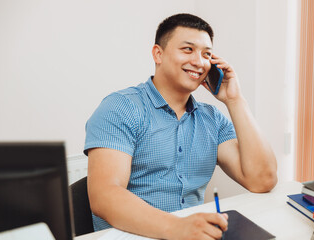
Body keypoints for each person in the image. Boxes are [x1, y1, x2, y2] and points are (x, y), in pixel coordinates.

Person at [84, 13, 277, 240]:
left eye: (207, 54)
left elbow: (262, 180)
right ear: (158, 54)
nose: (199, 62)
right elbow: (105, 196)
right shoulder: (121, 108)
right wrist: (177, 228)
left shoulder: (212, 118)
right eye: (188, 49)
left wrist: (235, 100)